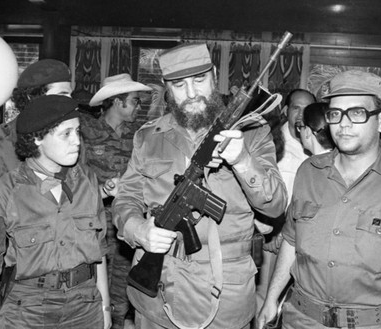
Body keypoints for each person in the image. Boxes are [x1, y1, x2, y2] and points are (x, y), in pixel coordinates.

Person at [257, 70, 381, 329]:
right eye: (335, 114)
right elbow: (291, 242)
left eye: (357, 113)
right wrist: (271, 299)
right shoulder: (309, 172)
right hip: (301, 320)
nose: (343, 124)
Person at [113, 43, 286, 329]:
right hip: (158, 293)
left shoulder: (252, 133)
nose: (192, 93)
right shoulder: (148, 137)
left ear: (215, 75)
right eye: (179, 85)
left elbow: (276, 204)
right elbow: (126, 198)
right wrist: (137, 229)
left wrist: (241, 159)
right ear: (167, 88)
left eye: (199, 80)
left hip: (223, 299)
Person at [0, 95, 111, 329]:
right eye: (66, 134)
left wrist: (104, 310)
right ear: (37, 139)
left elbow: (99, 251)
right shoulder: (5, 192)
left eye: (77, 131)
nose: (77, 141)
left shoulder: (87, 181)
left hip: (84, 305)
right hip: (28, 310)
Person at [0, 59, 73, 229]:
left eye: (71, 95)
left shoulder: (71, 141)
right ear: (31, 97)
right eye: (62, 95)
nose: (70, 102)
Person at [82, 73, 152, 329]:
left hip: (126, 227)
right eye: (134, 100)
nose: (138, 106)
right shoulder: (83, 134)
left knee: (122, 292)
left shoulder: (140, 136)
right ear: (116, 102)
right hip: (92, 226)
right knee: (91, 291)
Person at [255, 89, 315, 310]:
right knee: (264, 297)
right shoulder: (270, 142)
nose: (301, 114)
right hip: (272, 233)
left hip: (305, 236)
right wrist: (271, 230)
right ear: (285, 110)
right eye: (296, 107)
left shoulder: (319, 143)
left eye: (307, 109)